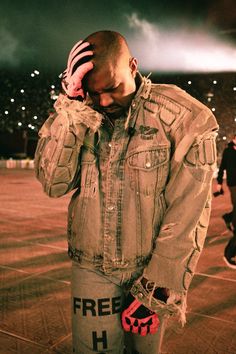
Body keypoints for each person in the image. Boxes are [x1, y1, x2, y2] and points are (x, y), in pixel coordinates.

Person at [34, 30, 218, 354]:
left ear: (133, 66)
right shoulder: (83, 111)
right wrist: (73, 107)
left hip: (150, 267)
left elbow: (187, 214)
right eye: (95, 92)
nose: (104, 101)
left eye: (113, 88)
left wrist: (154, 292)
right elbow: (52, 182)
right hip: (91, 266)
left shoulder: (185, 119)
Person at [216, 134, 236, 269]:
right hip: (233, 184)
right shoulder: (228, 151)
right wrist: (219, 183)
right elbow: (222, 167)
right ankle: (229, 254)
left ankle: (229, 217)